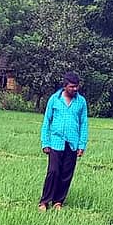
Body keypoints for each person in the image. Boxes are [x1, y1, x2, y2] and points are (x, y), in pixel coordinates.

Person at [39, 72, 88, 211]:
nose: (75, 89)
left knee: (66, 173)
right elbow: (46, 122)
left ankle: (58, 201)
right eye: (72, 86)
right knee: (53, 171)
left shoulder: (81, 102)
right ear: (65, 86)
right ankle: (44, 201)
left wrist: (81, 145)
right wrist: (45, 142)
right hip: (55, 142)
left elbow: (83, 123)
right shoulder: (54, 99)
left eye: (76, 86)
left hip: (72, 143)